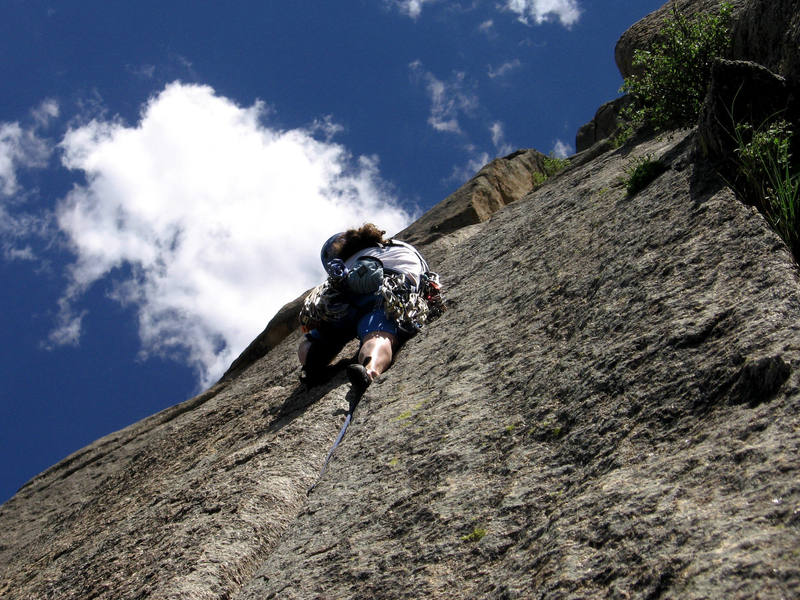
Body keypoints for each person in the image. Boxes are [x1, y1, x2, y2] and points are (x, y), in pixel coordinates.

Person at [298, 223, 432, 392]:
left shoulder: (347, 262)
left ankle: (310, 363)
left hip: (344, 299)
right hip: (390, 292)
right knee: (378, 333)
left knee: (323, 336)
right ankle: (369, 370)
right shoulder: (400, 249)